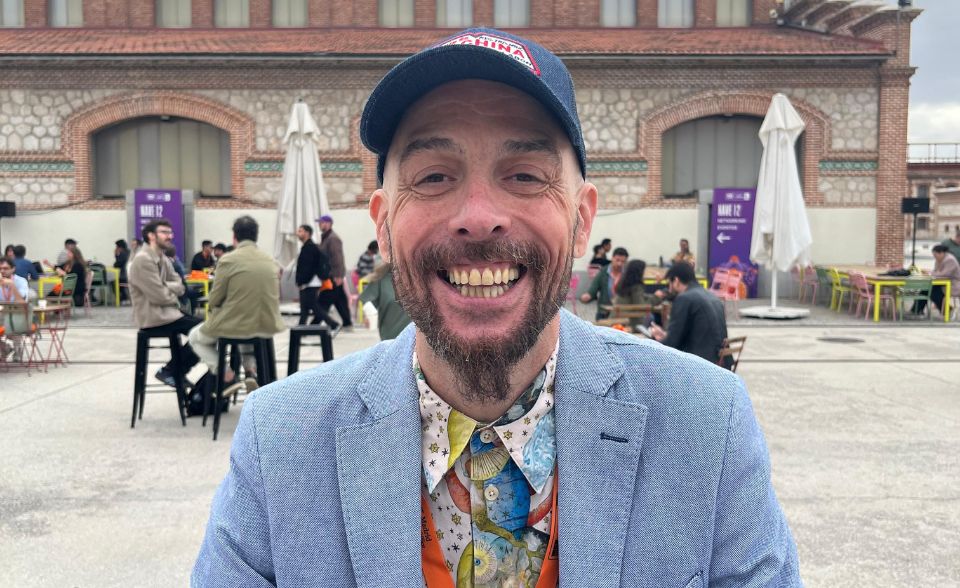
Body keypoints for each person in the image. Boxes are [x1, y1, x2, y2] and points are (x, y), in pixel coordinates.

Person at [194, 28, 800, 587]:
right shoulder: (281, 442)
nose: (479, 216)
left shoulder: (707, 425)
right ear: (383, 225)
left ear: (581, 220)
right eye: (434, 176)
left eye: (525, 175)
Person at [188, 216, 284, 391]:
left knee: (195, 337)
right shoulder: (271, 261)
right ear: (256, 235)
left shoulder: (228, 260)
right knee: (245, 326)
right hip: (267, 324)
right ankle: (250, 371)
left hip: (239, 324)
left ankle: (227, 375)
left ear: (234, 236)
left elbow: (214, 299)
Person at [128, 219, 203, 387]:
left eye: (170, 232)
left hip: (169, 314)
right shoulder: (143, 260)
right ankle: (172, 371)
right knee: (207, 331)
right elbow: (159, 297)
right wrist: (171, 292)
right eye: (164, 232)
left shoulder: (163, 258)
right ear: (151, 236)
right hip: (154, 318)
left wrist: (165, 286)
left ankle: (174, 371)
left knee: (209, 330)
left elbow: (180, 286)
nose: (169, 236)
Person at [649, 262, 729, 365]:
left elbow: (671, 344)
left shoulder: (684, 298)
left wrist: (655, 343)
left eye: (669, 283)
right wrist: (665, 335)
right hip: (720, 362)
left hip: (698, 364)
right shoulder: (712, 296)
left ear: (676, 281)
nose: (669, 289)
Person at [294, 224, 339, 330]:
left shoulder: (309, 248)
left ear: (307, 233)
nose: (297, 233)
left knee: (313, 306)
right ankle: (301, 328)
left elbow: (309, 267)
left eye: (300, 231)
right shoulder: (308, 247)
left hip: (310, 282)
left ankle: (333, 324)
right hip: (309, 282)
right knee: (305, 307)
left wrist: (302, 281)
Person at [316, 214, 353, 331]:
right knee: (339, 300)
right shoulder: (326, 238)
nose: (320, 224)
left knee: (323, 301)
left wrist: (338, 275)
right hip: (331, 275)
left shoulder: (332, 238)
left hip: (333, 275)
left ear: (329, 224)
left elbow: (337, 258)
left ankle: (314, 324)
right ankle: (347, 324)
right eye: (319, 222)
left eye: (322, 222)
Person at [358, 262, 411, 340]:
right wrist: (368, 315)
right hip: (391, 337)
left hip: (419, 340)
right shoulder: (382, 279)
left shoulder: (422, 277)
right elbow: (368, 301)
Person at [580, 246, 628, 320]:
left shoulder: (627, 274)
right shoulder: (604, 271)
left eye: (623, 262)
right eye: (617, 260)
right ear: (612, 258)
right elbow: (593, 289)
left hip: (620, 313)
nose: (619, 264)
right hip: (604, 312)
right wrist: (587, 296)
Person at [613, 259, 660, 331]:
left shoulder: (624, 283)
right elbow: (641, 307)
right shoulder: (637, 287)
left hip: (617, 321)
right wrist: (656, 298)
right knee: (651, 318)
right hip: (629, 324)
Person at [914, 244, 960, 316]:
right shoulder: (939, 259)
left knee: (933, 292)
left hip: (952, 285)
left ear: (941, 253)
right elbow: (936, 272)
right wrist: (929, 272)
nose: (934, 257)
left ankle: (947, 310)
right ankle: (916, 310)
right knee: (925, 289)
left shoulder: (950, 260)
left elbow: (945, 274)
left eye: (935, 255)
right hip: (941, 283)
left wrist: (930, 273)